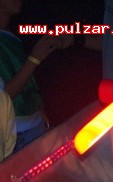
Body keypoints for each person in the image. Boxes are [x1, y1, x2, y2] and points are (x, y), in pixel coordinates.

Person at [0, 0, 71, 152]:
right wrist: (34, 59)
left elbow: (29, 84)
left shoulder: (10, 35)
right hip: (15, 135)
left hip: (35, 126)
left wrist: (45, 121)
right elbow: (3, 97)